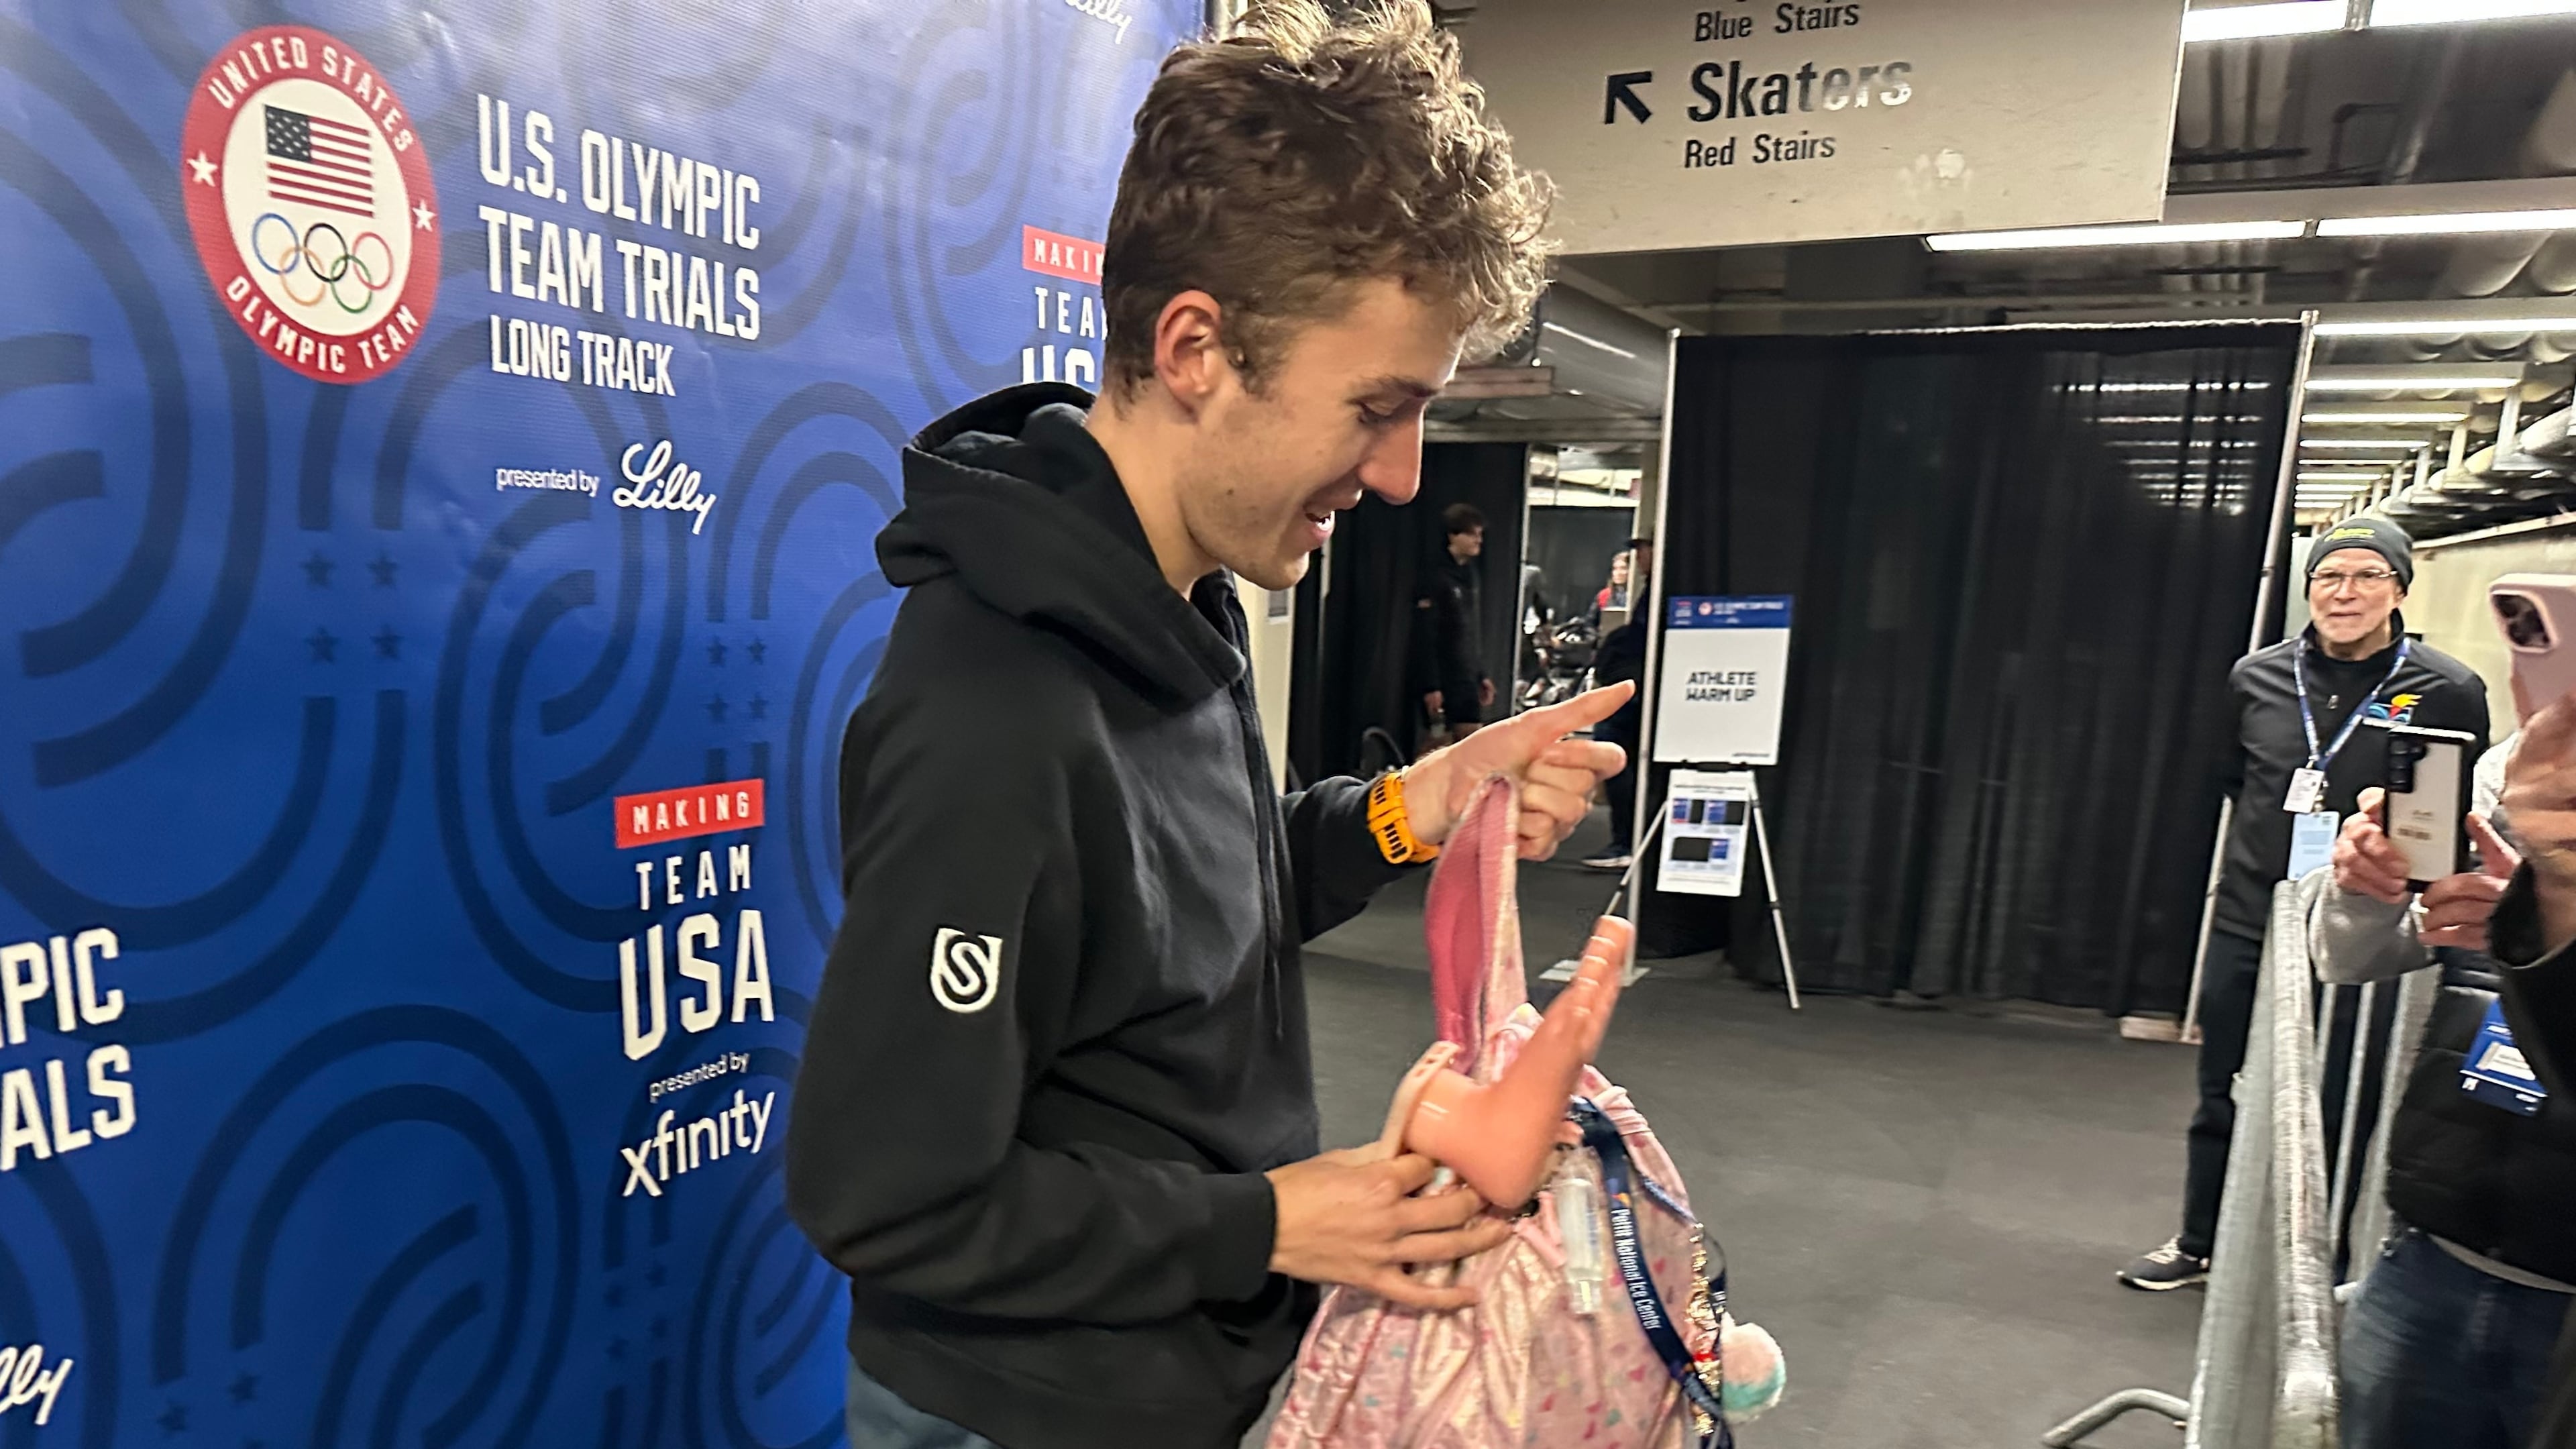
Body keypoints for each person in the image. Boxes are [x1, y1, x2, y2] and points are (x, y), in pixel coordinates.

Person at [783, 7, 1633, 1448]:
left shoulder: (1181, 601)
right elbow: (886, 1196)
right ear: (1195, 348)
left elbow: (1192, 916)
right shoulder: (992, 712)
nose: (1404, 475)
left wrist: (1409, 809)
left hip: (1185, 1374)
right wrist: (1268, 1224)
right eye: (1376, 407)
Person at [2120, 518, 2490, 1291]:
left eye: (2367, 576)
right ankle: (2202, 1239)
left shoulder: (2447, 688)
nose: (2345, 593)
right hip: (2253, 916)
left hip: (2367, 929)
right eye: (2329, 576)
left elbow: (2458, 810)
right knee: (2224, 1085)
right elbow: (2236, 780)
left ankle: (2319, 1267)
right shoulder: (2256, 677)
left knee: (2343, 1102)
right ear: (2310, 587)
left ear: (2399, 590)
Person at [2312, 741, 2573, 1449]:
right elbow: (2351, 954)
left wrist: (2552, 934)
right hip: (2433, 1254)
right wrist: (2363, 887)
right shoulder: (2519, 768)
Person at [1582, 537, 1654, 871]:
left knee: (1617, 756)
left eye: (1643, 550)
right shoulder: (1646, 591)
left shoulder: (1660, 591)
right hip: (1631, 686)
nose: (1639, 558)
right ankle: (1625, 839)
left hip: (1636, 692)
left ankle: (1625, 842)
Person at [1415, 502, 1495, 743]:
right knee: (1440, 747)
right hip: (1444, 675)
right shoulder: (1435, 576)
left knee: (1472, 743)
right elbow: (1426, 634)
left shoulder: (1471, 576)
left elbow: (1471, 629)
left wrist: (1480, 674)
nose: (1478, 540)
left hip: (1466, 676)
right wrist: (1431, 685)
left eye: (1480, 534)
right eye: (1472, 534)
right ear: (1453, 535)